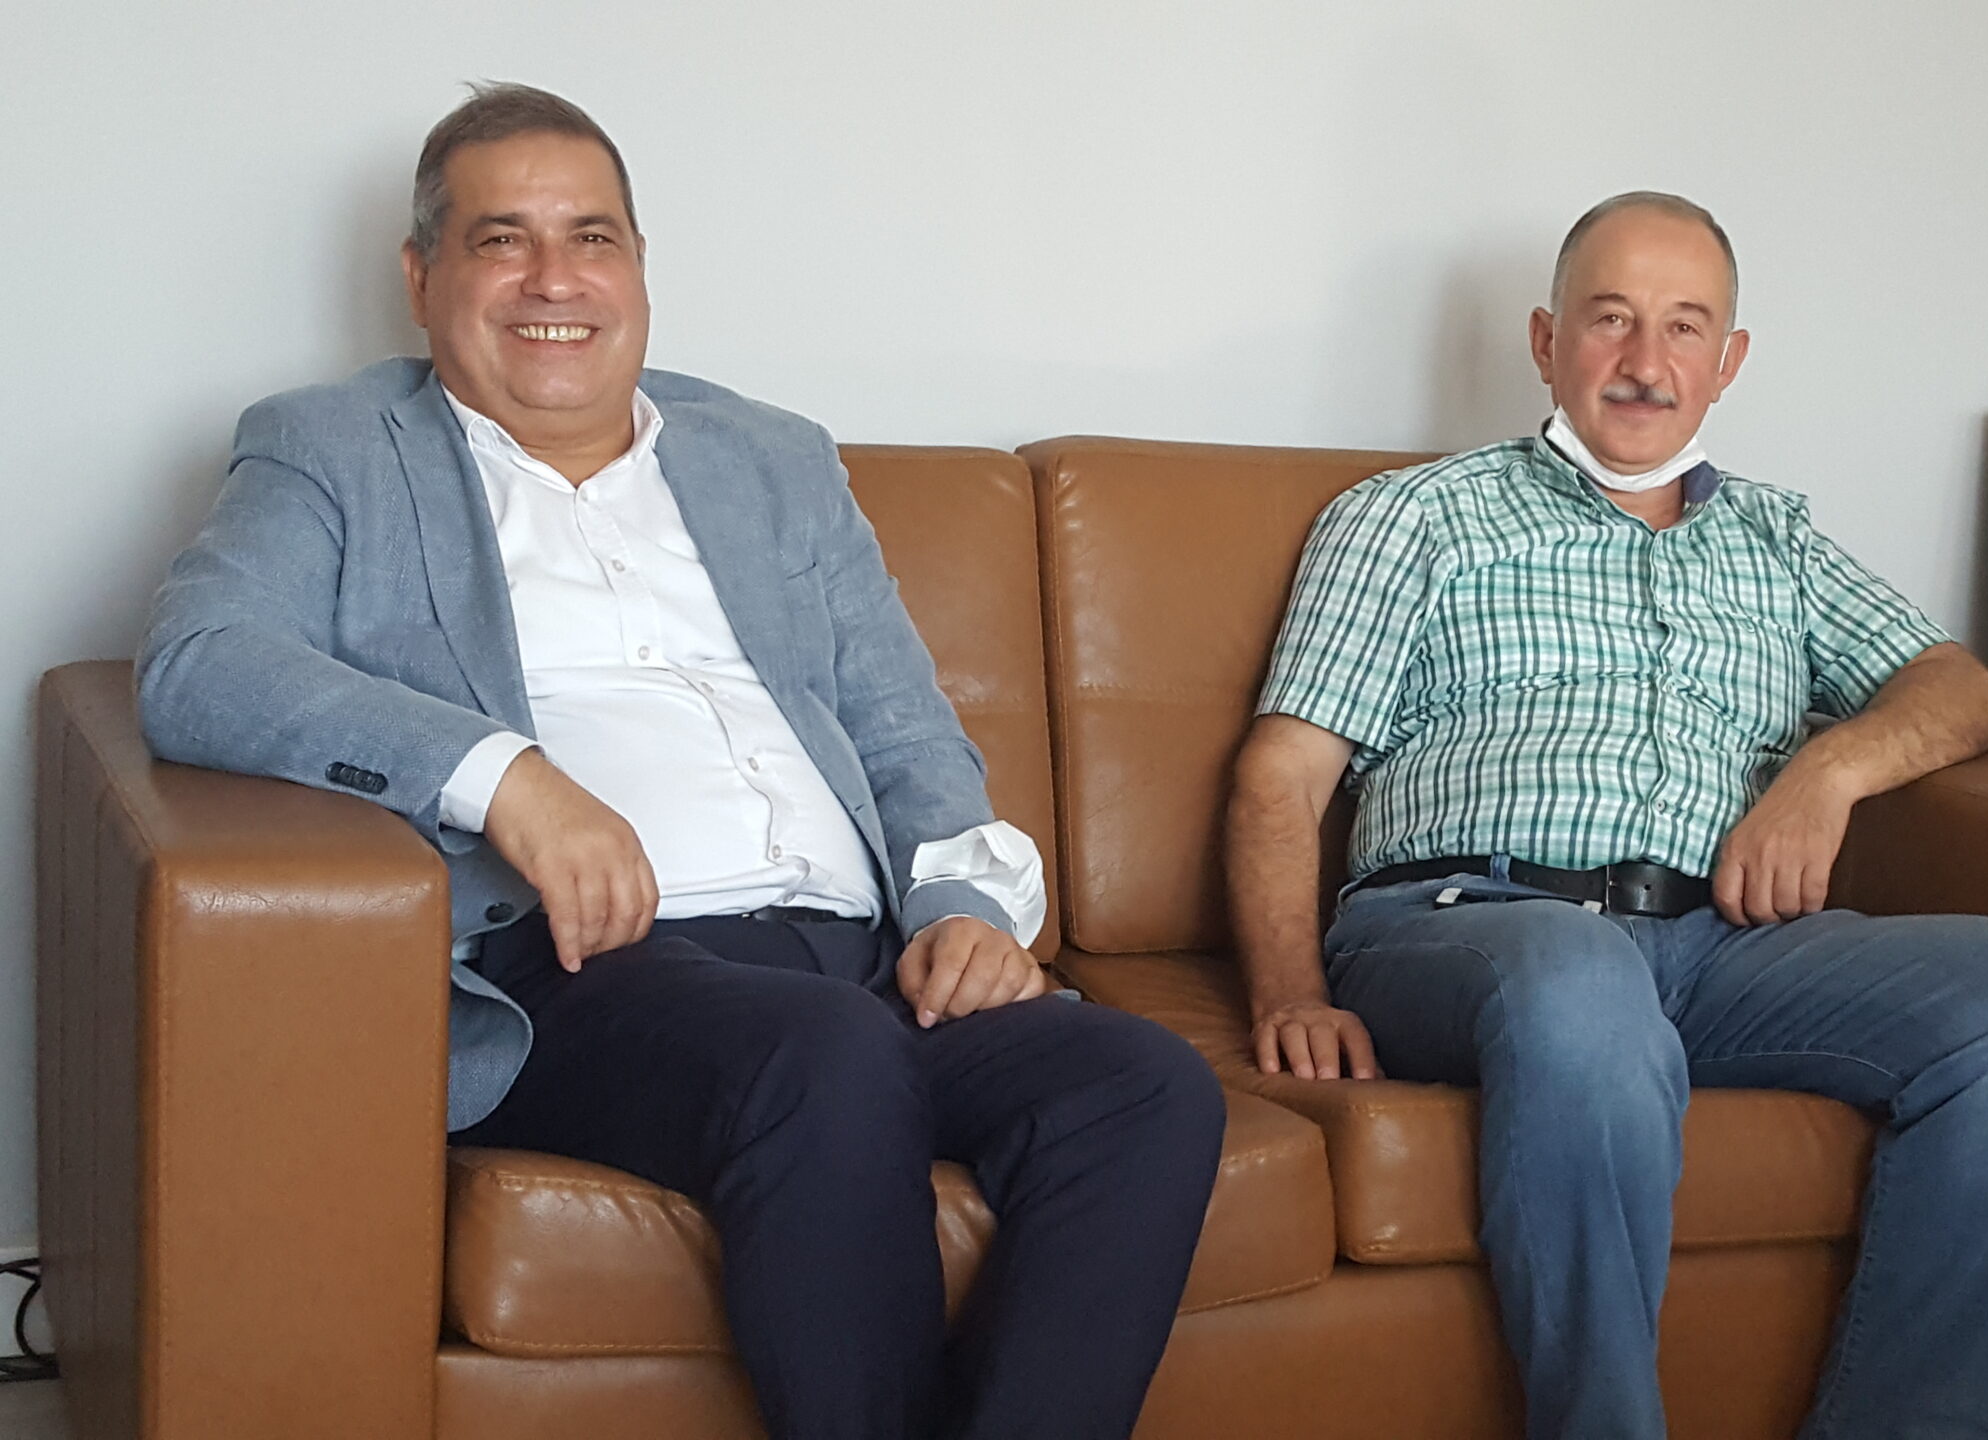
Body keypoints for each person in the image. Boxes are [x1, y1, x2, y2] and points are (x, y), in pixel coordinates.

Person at [138, 83, 1223, 1440]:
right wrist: (504, 777)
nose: (554, 280)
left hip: (859, 967)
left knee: (1141, 1086)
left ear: (640, 268)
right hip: (583, 974)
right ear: (420, 277)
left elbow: (902, 728)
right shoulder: (336, 449)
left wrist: (959, 910)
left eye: (591, 238)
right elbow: (202, 662)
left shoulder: (773, 459)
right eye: (501, 240)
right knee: (824, 1056)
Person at [1225, 191, 1988, 1440]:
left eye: (1684, 328)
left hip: (1723, 946)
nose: (1645, 362)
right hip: (1467, 921)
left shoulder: (1775, 537)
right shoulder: (1415, 516)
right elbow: (1281, 776)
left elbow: (1961, 690)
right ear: (1545, 341)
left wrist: (1824, 775)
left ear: (1727, 361)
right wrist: (1287, 993)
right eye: (1610, 320)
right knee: (1578, 978)